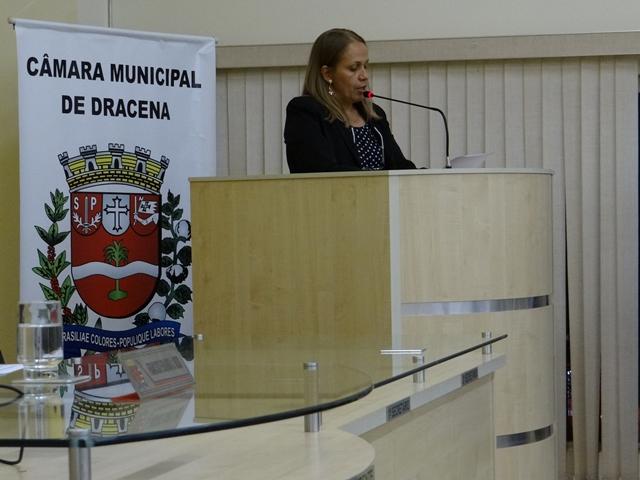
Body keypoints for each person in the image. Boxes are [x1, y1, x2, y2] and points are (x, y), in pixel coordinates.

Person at [284, 28, 416, 173]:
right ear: (328, 74)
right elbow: (320, 171)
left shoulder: (375, 115)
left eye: (365, 66)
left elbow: (400, 167)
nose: (364, 76)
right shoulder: (306, 112)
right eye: (354, 68)